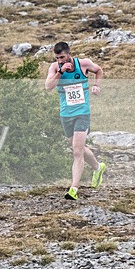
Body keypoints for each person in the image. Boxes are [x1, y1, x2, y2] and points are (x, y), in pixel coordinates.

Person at [44, 41, 106, 200]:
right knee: (78, 147)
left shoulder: (83, 64)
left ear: (69, 53)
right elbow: (48, 87)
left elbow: (99, 70)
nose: (60, 61)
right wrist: (59, 72)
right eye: (57, 58)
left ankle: (73, 189)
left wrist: (97, 85)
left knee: (77, 151)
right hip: (66, 114)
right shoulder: (54, 67)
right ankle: (98, 168)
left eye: (62, 57)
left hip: (82, 113)